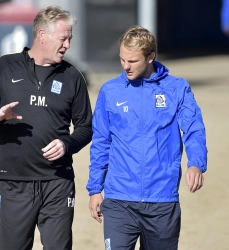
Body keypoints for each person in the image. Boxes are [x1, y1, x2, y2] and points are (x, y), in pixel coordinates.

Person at [0, 5, 92, 250]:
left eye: (70, 38)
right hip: (14, 183)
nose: (68, 45)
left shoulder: (73, 76)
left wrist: (67, 143)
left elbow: (86, 127)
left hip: (58, 183)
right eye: (63, 38)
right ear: (42, 35)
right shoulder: (4, 67)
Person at [86, 26, 207, 250]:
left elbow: (194, 129)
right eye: (122, 59)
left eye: (132, 61)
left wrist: (196, 164)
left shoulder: (177, 89)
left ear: (151, 56)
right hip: (119, 200)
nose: (125, 66)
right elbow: (101, 141)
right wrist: (95, 189)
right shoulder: (110, 91)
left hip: (162, 201)